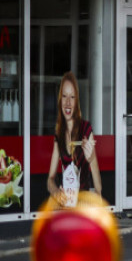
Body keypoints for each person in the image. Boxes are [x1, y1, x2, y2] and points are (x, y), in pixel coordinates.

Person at [47, 72, 101, 206]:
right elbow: (50, 179)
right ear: (60, 99)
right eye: (64, 96)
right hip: (66, 199)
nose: (68, 102)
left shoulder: (86, 128)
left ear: (77, 101)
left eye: (72, 97)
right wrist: (55, 192)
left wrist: (92, 157)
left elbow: (99, 188)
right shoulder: (59, 133)